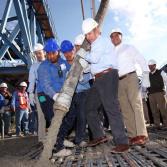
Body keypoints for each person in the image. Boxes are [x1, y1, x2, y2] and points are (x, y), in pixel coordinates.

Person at [79, 18, 129, 153]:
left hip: (107, 76)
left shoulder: (101, 41)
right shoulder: (95, 44)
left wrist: (82, 53)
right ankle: (99, 135)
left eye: (89, 33)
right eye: (86, 35)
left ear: (96, 30)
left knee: (111, 108)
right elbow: (95, 64)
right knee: (89, 108)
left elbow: (94, 58)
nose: (87, 37)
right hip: (99, 79)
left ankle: (122, 142)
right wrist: (86, 68)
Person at [110, 28, 149, 145]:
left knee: (136, 104)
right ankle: (132, 135)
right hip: (118, 82)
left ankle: (142, 134)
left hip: (131, 77)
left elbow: (141, 59)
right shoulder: (111, 53)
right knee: (125, 108)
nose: (114, 38)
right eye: (112, 36)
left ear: (121, 36)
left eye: (117, 35)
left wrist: (146, 76)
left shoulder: (129, 47)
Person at [53, 40, 91, 157]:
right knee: (69, 117)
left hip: (82, 91)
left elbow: (88, 76)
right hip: (69, 95)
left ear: (74, 50)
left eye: (70, 51)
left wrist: (82, 78)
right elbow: (59, 80)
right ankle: (61, 138)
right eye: (65, 53)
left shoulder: (80, 61)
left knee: (82, 115)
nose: (68, 54)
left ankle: (80, 139)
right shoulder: (63, 65)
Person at [37, 38, 68, 132]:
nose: (50, 56)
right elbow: (45, 85)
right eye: (48, 53)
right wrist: (54, 95)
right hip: (43, 94)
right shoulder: (43, 66)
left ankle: (60, 139)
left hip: (58, 93)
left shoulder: (63, 63)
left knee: (64, 116)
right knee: (49, 115)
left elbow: (71, 69)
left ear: (58, 52)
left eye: (53, 53)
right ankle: (53, 141)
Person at [27, 43, 46, 140]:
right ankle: (42, 138)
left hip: (52, 93)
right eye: (36, 54)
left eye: (39, 53)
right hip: (41, 94)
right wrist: (30, 93)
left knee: (54, 113)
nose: (38, 55)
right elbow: (31, 81)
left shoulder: (50, 63)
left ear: (44, 52)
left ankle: (56, 136)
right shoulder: (34, 67)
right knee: (41, 114)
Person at [147, 59, 167, 128]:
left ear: (155, 65)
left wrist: (165, 90)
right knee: (154, 110)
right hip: (151, 94)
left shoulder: (161, 72)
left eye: (151, 66)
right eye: (149, 66)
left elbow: (166, 81)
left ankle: (166, 124)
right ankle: (157, 125)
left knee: (163, 109)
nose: (150, 67)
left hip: (160, 93)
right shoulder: (148, 75)